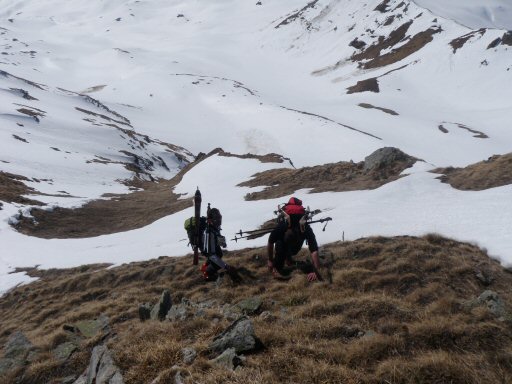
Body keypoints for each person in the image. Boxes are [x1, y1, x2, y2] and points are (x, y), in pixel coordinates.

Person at [267, 197, 321, 282]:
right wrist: (270, 261)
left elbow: (314, 249)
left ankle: (287, 260)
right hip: (286, 244)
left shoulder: (305, 228)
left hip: (292, 245)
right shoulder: (282, 227)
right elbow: (270, 242)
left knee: (286, 249)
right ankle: (282, 264)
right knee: (281, 248)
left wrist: (316, 271)